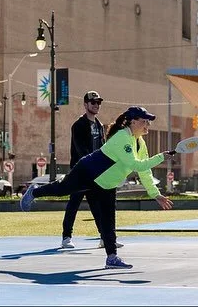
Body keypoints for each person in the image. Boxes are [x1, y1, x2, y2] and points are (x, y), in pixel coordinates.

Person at [20, 105, 174, 269]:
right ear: (133, 122)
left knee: (108, 218)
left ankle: (112, 258)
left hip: (106, 183)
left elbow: (145, 171)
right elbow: (135, 165)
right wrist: (161, 157)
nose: (148, 125)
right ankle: (33, 192)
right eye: (145, 121)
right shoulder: (122, 137)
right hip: (88, 171)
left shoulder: (139, 143)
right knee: (61, 189)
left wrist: (155, 194)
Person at [60, 91, 123, 250]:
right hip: (81, 171)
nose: (96, 105)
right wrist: (93, 165)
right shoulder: (78, 125)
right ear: (85, 104)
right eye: (93, 102)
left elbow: (104, 148)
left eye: (98, 103)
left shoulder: (99, 125)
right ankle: (66, 237)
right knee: (73, 203)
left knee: (98, 206)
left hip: (96, 173)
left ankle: (104, 238)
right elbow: (81, 149)